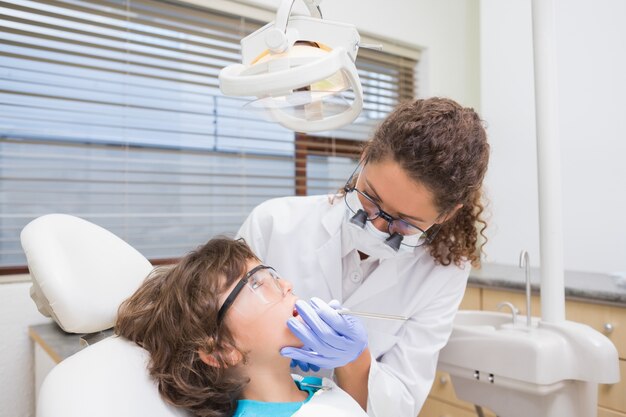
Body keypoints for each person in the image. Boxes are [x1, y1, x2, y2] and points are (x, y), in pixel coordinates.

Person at [236, 97, 490, 416]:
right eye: (370, 198)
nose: (377, 225)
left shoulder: (442, 272)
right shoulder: (273, 223)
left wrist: (356, 362)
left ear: (445, 215)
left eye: (404, 222)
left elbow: (402, 402)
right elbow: (214, 333)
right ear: (365, 156)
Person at [115, 237, 368, 417]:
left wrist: (356, 358)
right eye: (257, 284)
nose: (287, 284)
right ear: (221, 351)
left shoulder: (311, 386)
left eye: (271, 274)